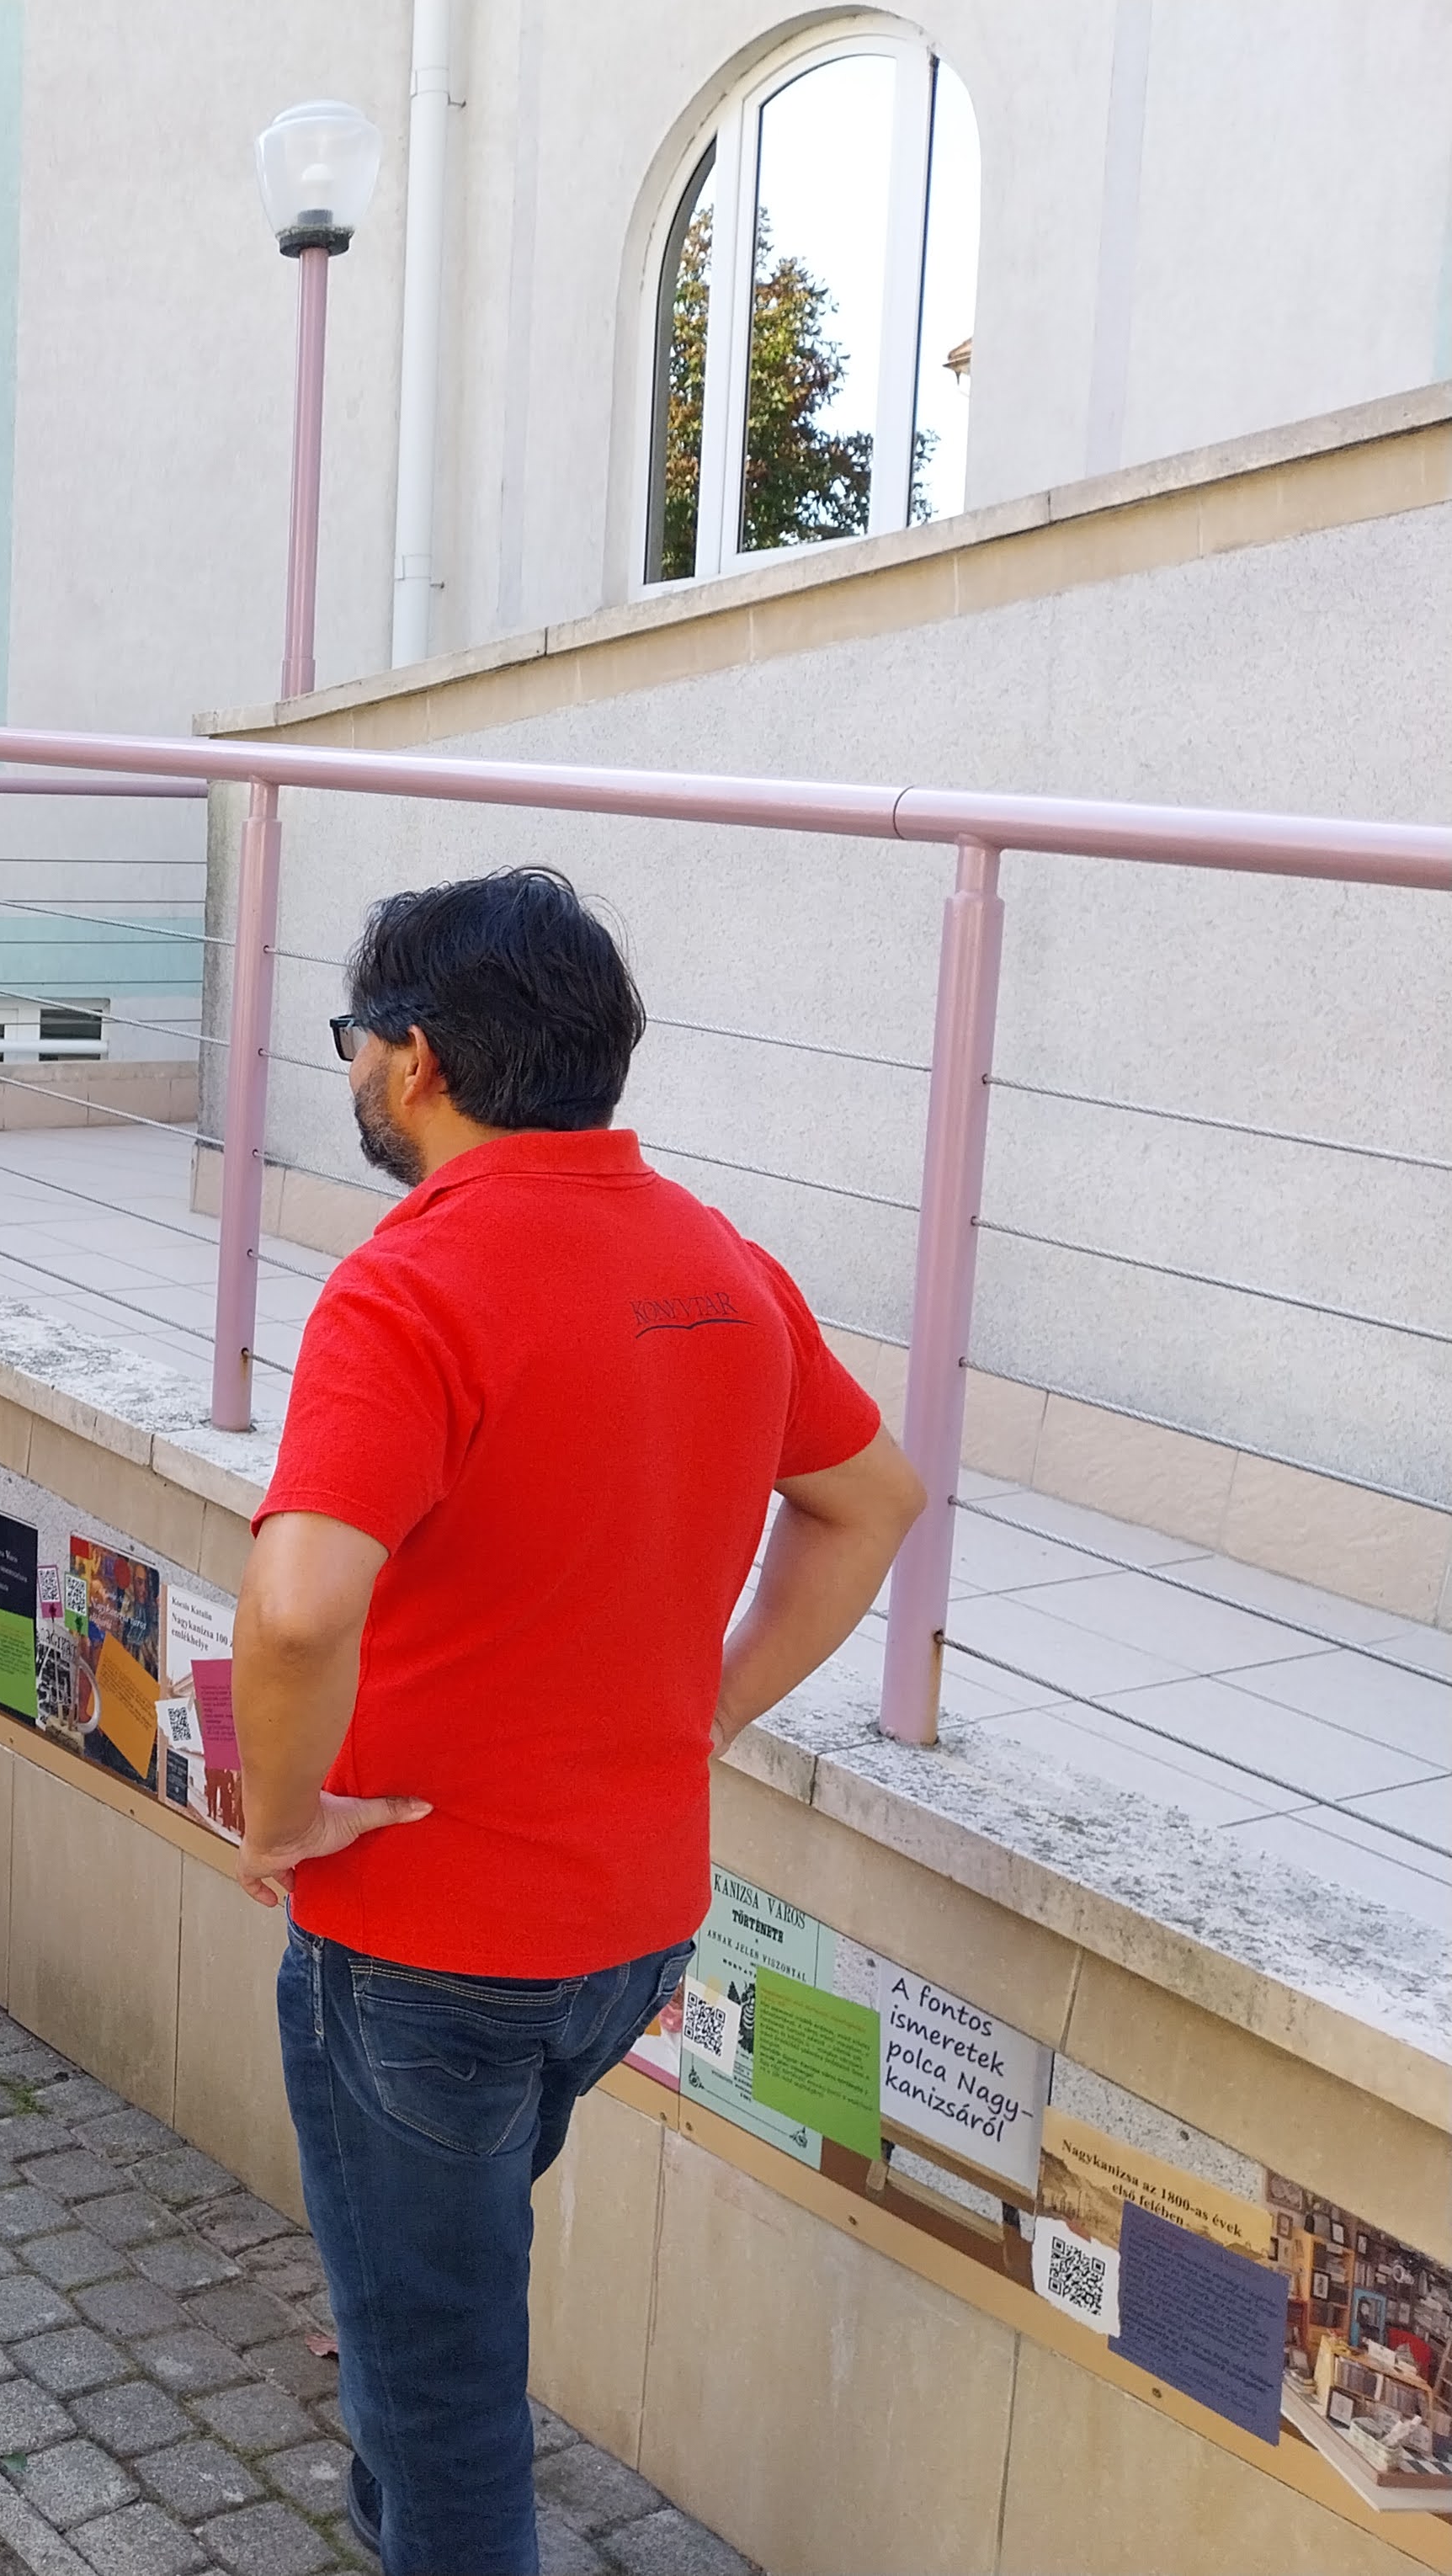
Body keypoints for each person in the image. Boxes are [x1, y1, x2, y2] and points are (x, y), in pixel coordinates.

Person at [228, 869, 923, 2576]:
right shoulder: (720, 1263)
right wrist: (709, 1712)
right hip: (627, 1936)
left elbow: (300, 1607)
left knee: (445, 2392)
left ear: (415, 1061)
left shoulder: (407, 1288)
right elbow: (873, 1501)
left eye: (354, 1037)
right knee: (428, 2326)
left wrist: (279, 1817)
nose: (352, 1067)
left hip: (423, 1947)